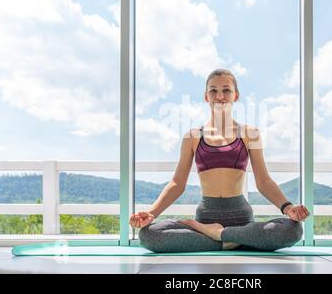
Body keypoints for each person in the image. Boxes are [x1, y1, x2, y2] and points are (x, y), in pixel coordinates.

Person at [129, 69, 310, 253]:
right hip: (206, 217)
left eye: (226, 90)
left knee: (293, 230)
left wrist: (288, 208)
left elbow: (263, 181)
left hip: (241, 218)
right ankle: (234, 240)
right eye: (213, 91)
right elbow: (177, 183)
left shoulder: (250, 134)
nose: (220, 96)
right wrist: (151, 214)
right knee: (148, 235)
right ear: (206, 96)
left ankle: (219, 235)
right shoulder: (192, 136)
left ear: (236, 96)